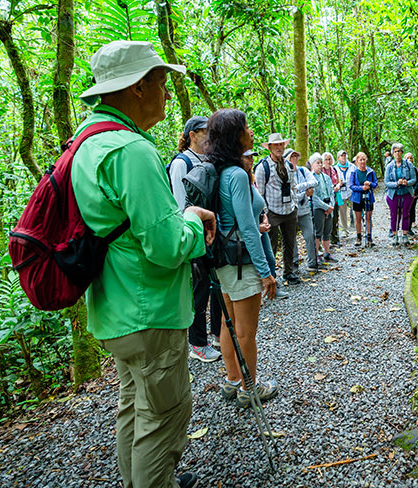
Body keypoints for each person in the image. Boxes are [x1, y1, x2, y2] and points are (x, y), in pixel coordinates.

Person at [72, 41, 216, 488]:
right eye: (160, 82)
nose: (166, 93)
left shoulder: (86, 144)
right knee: (164, 416)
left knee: (134, 405)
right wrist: (193, 221)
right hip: (148, 309)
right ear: (136, 88)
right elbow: (166, 246)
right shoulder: (131, 151)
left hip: (116, 311)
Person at [210, 109, 279, 409]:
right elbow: (248, 228)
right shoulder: (237, 175)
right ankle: (249, 389)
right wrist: (266, 271)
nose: (251, 131)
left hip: (224, 262)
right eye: (246, 127)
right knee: (245, 331)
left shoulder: (221, 171)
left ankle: (232, 380)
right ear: (234, 135)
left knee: (229, 323)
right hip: (241, 263)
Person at [169, 115, 222, 362]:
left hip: (210, 232)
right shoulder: (182, 162)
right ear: (192, 135)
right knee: (199, 290)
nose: (209, 136)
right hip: (194, 235)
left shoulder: (207, 159)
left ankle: (217, 334)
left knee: (216, 286)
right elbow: (181, 205)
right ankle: (197, 343)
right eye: (205, 131)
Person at [254, 133, 301, 285]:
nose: (279, 147)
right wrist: (264, 213)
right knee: (271, 247)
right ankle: (271, 277)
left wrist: (294, 204)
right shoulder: (263, 167)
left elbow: (293, 186)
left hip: (289, 209)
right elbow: (260, 193)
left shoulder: (288, 165)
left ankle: (289, 272)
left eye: (281, 144)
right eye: (276, 145)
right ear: (270, 148)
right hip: (272, 212)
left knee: (290, 242)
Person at [245, 149, 289, 299]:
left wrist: (264, 216)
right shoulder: (239, 178)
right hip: (251, 228)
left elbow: (258, 198)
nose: (251, 160)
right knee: (260, 258)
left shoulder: (250, 177)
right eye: (247, 157)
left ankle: (272, 287)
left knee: (270, 257)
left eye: (252, 157)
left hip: (261, 222)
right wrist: (257, 226)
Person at [287, 148, 319, 274]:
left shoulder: (303, 170)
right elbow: (289, 194)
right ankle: (294, 263)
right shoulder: (284, 173)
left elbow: (314, 182)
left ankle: (312, 262)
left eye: (296, 156)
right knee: (291, 238)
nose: (294, 159)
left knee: (310, 235)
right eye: (291, 156)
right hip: (290, 211)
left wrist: (299, 189)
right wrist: (305, 193)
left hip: (304, 210)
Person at [384, 143, 417, 247]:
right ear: (393, 153)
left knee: (406, 214)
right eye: (395, 151)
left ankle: (405, 235)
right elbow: (387, 182)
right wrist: (396, 183)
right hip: (393, 194)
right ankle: (395, 236)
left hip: (406, 193)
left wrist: (406, 182)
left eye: (399, 151)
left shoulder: (408, 164)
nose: (397, 153)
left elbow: (414, 179)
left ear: (402, 153)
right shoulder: (389, 166)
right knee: (394, 215)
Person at [310, 153, 337, 264]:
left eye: (321, 162)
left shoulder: (326, 177)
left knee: (327, 231)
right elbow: (314, 197)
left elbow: (331, 192)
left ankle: (327, 253)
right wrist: (326, 207)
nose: (320, 165)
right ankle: (316, 255)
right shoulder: (311, 178)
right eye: (318, 163)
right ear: (312, 164)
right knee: (318, 232)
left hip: (328, 205)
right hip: (318, 208)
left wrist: (331, 206)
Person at [348, 152, 378, 248]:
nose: (362, 161)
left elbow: (375, 184)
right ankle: (358, 237)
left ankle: (369, 237)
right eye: (360, 160)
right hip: (357, 198)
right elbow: (351, 186)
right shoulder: (354, 172)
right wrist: (362, 188)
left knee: (369, 218)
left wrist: (369, 184)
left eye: (364, 159)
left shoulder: (371, 171)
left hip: (368, 197)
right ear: (357, 161)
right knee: (358, 218)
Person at [323, 152, 343, 246]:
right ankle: (326, 240)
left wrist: (338, 186)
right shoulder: (321, 170)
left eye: (329, 159)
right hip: (325, 199)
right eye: (326, 159)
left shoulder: (334, 169)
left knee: (335, 218)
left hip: (334, 198)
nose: (328, 161)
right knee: (326, 219)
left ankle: (335, 238)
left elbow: (339, 181)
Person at [335, 150, 354, 237]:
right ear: (338, 158)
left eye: (344, 155)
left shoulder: (352, 166)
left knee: (355, 209)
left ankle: (359, 228)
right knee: (342, 211)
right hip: (341, 193)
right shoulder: (335, 168)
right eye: (341, 156)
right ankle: (344, 230)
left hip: (351, 191)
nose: (343, 157)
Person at [404, 152, 418, 236]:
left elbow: (417, 181)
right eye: (407, 158)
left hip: (413, 193)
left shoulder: (414, 168)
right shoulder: (402, 169)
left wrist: (414, 191)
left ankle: (409, 227)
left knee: (411, 209)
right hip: (405, 193)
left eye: (411, 158)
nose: (409, 160)